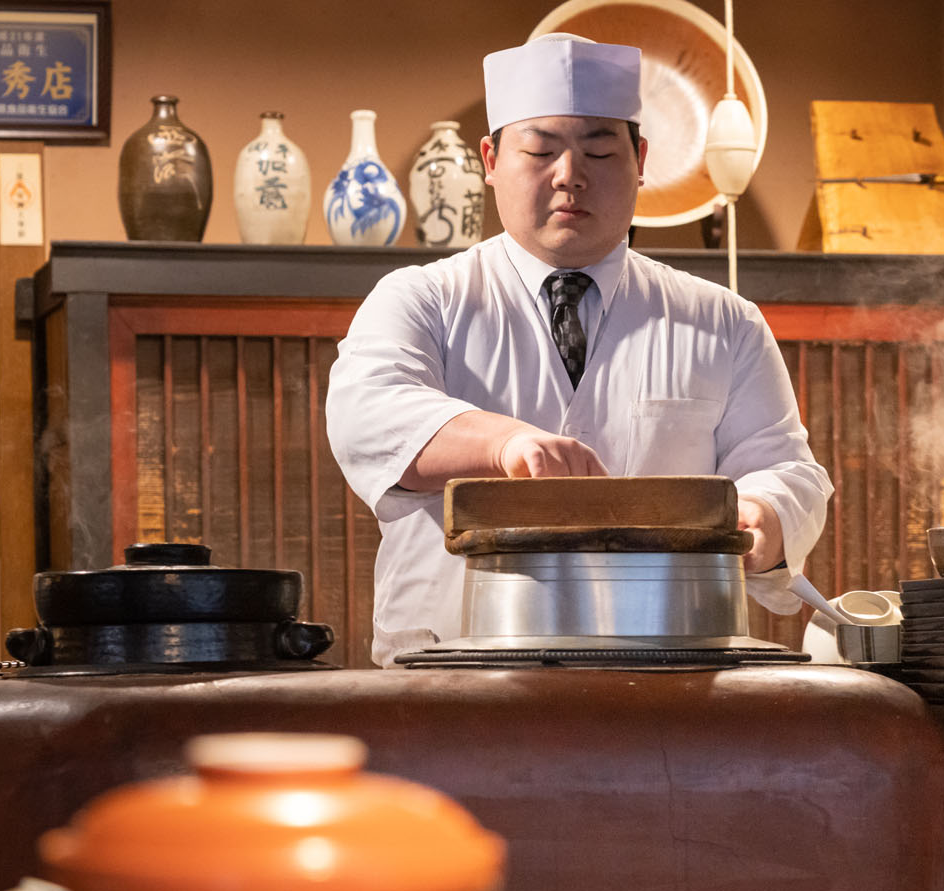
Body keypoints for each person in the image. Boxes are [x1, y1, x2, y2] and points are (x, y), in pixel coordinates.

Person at [325, 33, 831, 666]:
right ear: (489, 158)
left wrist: (764, 514)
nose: (570, 176)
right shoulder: (424, 298)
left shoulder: (723, 321)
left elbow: (786, 466)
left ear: (640, 158)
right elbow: (368, 412)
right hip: (452, 671)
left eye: (598, 149)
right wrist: (503, 444)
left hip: (670, 665)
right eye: (539, 150)